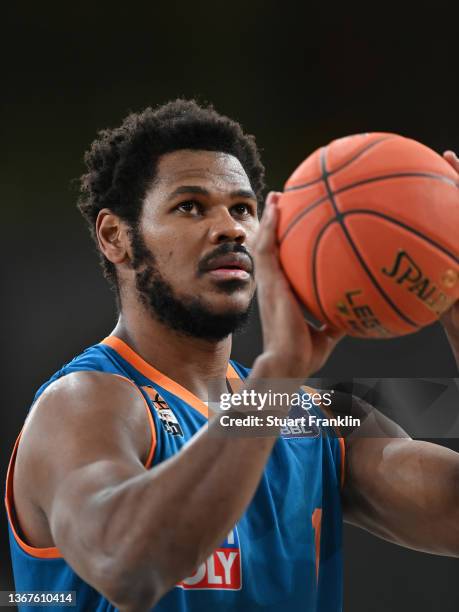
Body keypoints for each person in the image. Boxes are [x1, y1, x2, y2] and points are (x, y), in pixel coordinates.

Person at [5, 100, 459, 612]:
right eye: (191, 206)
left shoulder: (317, 420)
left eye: (243, 208)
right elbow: (129, 567)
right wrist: (278, 376)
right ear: (116, 237)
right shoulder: (82, 405)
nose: (231, 228)